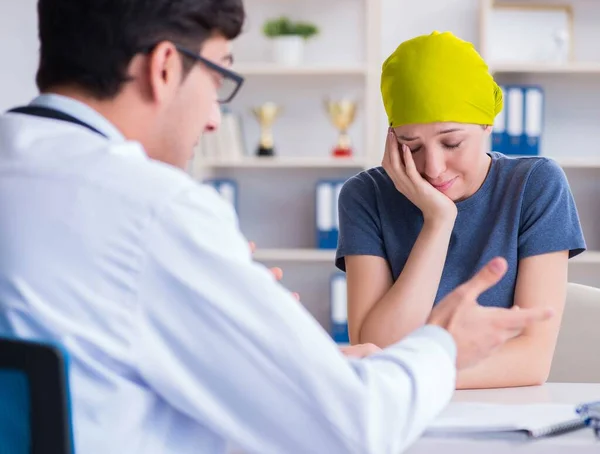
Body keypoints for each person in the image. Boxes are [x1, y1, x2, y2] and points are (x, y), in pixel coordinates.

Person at [0, 2, 553, 452]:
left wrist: (278, 350)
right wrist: (442, 347)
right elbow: (352, 427)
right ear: (164, 67)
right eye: (218, 76)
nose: (216, 117)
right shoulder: (156, 211)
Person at [336, 31, 586, 390]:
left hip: (501, 413)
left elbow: (532, 359)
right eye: (412, 145)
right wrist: (437, 223)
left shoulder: (536, 185)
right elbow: (380, 343)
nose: (433, 167)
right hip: (402, 417)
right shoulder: (365, 195)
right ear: (393, 139)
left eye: (451, 142)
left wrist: (412, 375)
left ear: (487, 124)